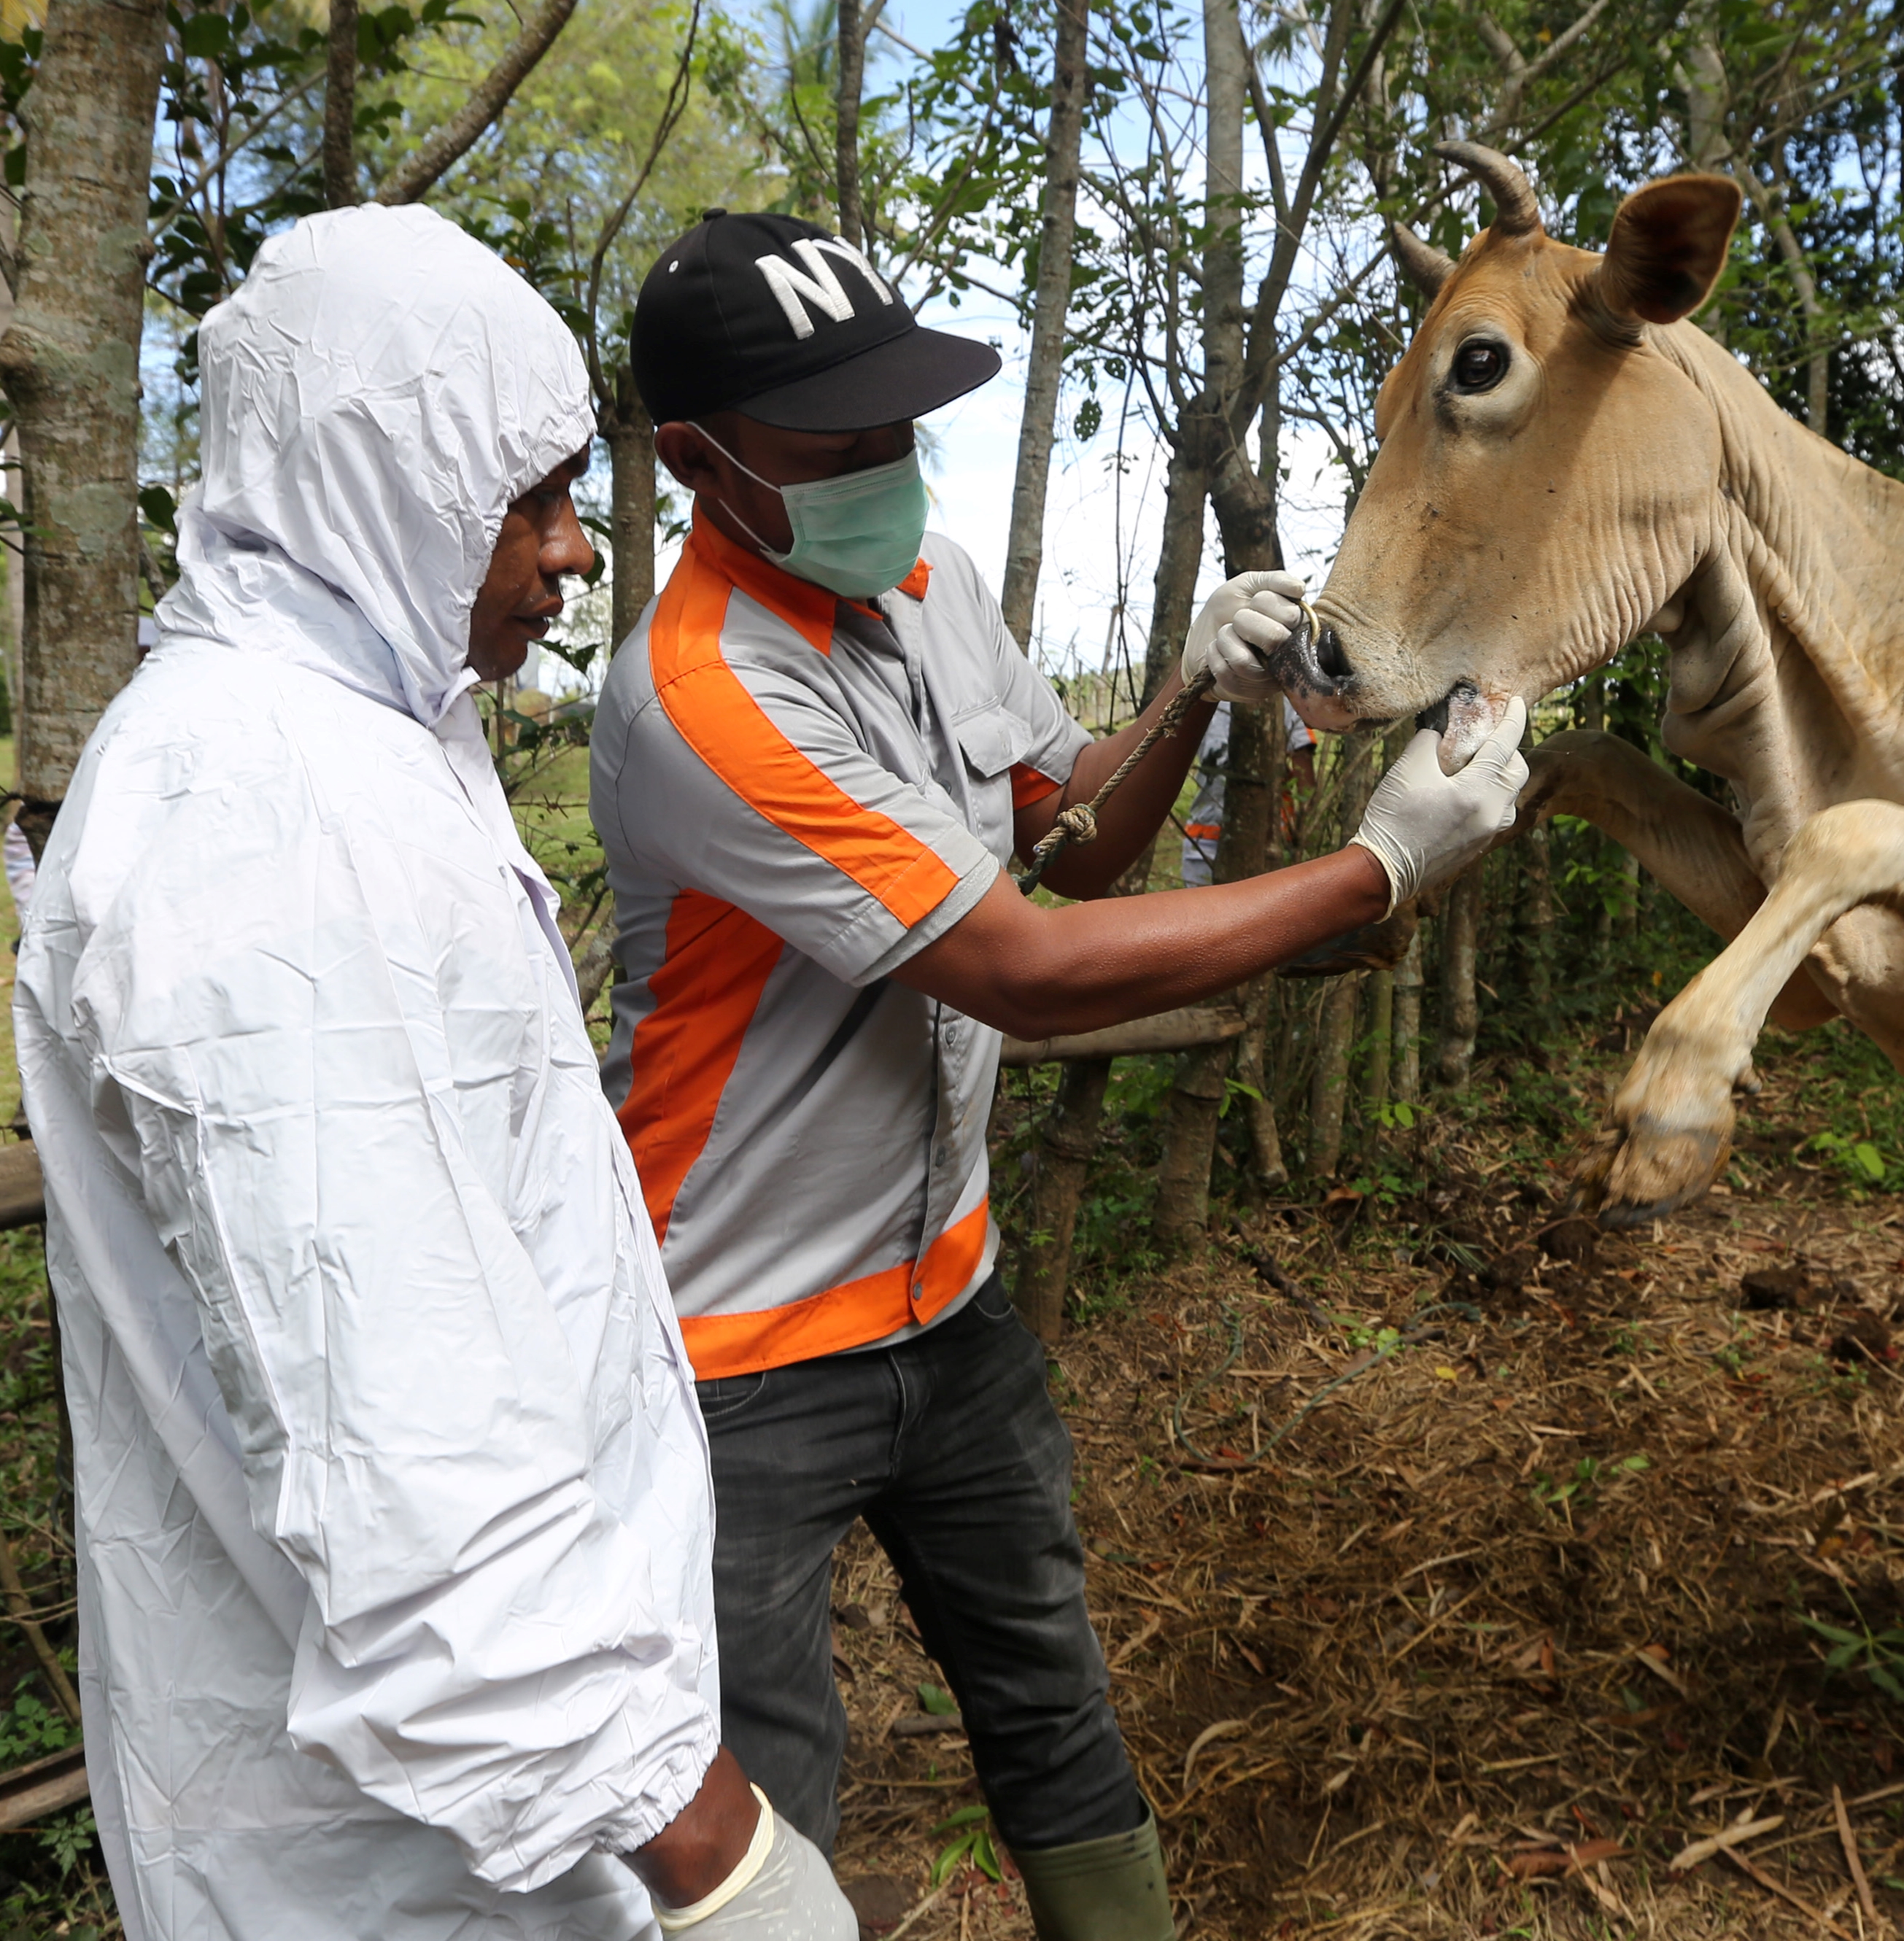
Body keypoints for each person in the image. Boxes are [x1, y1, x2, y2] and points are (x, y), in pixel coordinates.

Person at [595, 210, 1528, 1940]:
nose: (886, 460)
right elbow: (1018, 967)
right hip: (730, 1357)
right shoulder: (699, 699)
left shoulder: (931, 587)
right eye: (836, 435)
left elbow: (1066, 840)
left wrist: (1190, 691)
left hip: (946, 1297)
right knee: (762, 1802)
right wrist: (1376, 872)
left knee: (1050, 1701)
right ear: (702, 462)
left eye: (899, 419)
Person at [14, 206, 854, 1940]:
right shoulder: (254, 816)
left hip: (514, 1812)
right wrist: (712, 1855)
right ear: (378, 482)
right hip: (423, 1861)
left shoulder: (373, 742)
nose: (572, 553)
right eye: (531, 498)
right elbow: (404, 1451)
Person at [1176, 700, 1315, 886]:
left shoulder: (1285, 699)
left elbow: (1304, 774)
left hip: (1269, 839)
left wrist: (1297, 830)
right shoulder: (1204, 697)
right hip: (1207, 834)